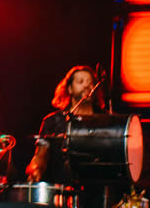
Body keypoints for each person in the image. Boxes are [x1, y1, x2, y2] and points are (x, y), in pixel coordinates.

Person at [26, 65, 109, 208]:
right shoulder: (53, 121)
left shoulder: (105, 120)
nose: (86, 85)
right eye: (80, 81)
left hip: (97, 196)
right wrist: (35, 169)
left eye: (90, 82)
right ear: (69, 89)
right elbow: (40, 155)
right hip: (62, 195)